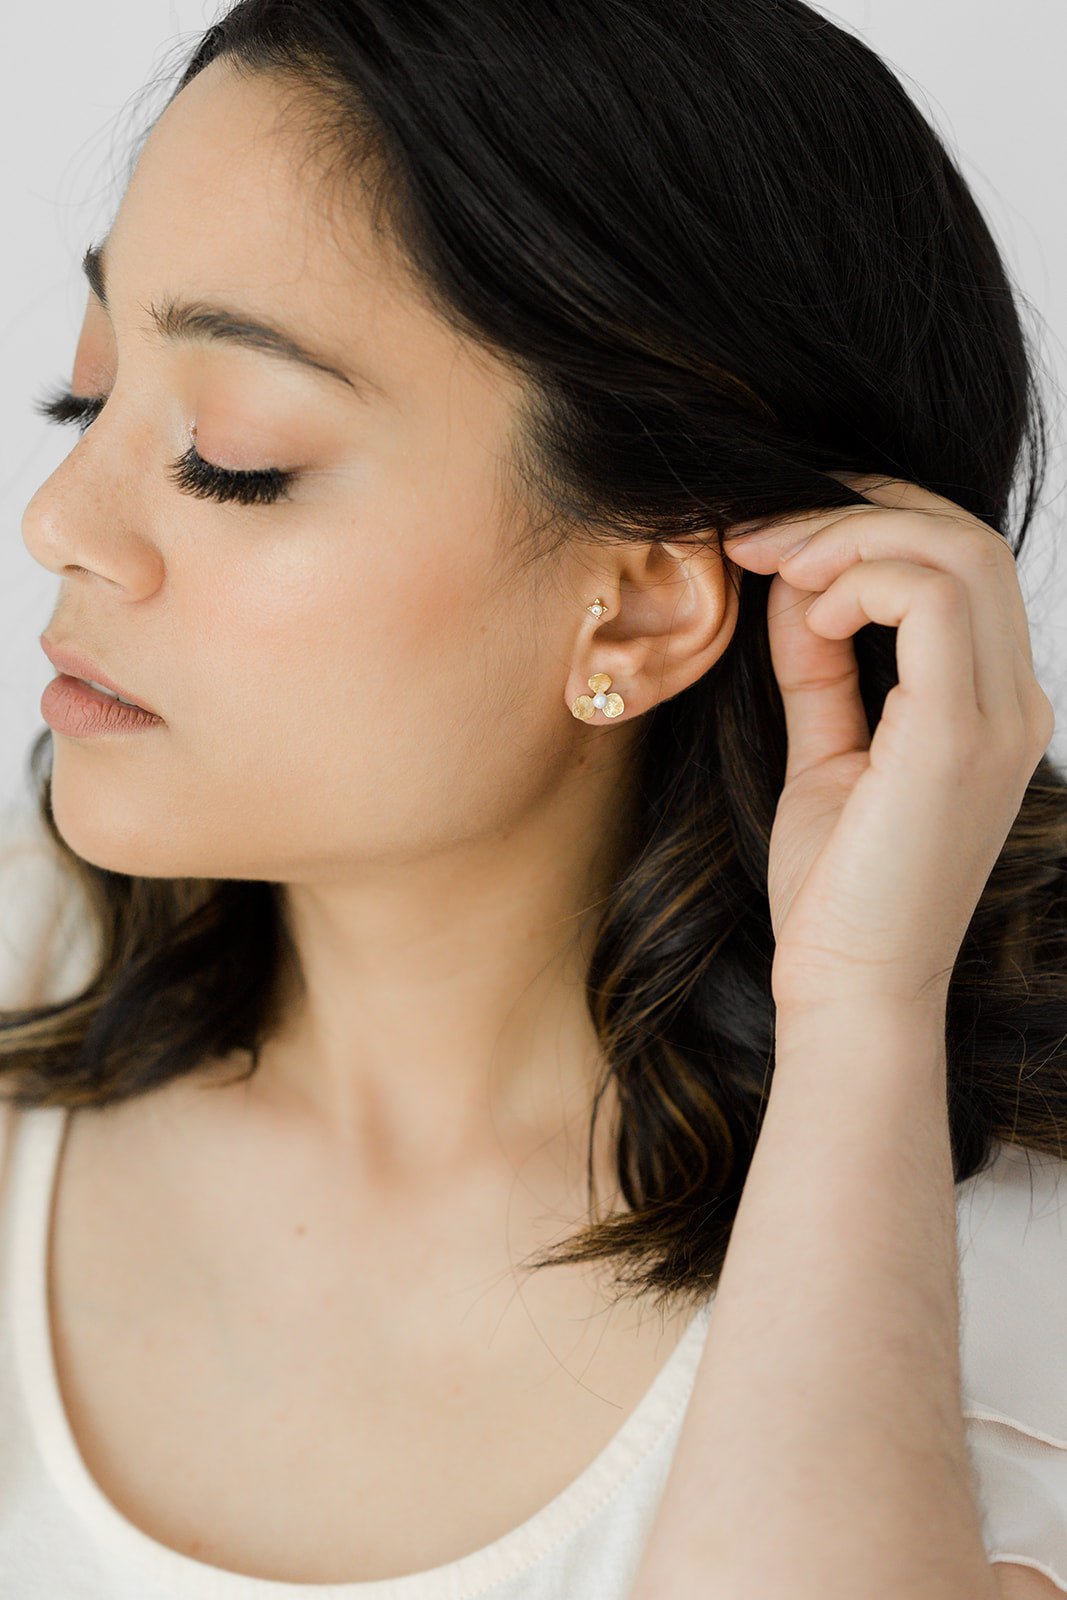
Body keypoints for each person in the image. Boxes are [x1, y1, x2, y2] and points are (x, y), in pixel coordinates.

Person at [0, 2, 1065, 1595]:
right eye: (90, 400)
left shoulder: (986, 1290)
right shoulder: (24, 965)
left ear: (636, 609)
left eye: (233, 455)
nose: (58, 521)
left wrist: (859, 1012)